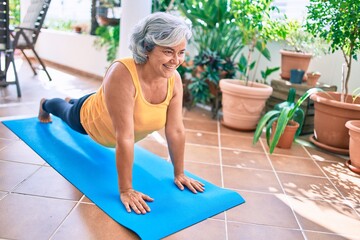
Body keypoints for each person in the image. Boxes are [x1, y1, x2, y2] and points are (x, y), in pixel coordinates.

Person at [38, 12, 205, 214]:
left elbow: (176, 130)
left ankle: (72, 101)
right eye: (168, 52)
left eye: (181, 52)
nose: (176, 60)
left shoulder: (174, 79)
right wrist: (126, 190)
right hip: (89, 119)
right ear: (146, 48)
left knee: (85, 102)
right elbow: (125, 136)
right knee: (65, 111)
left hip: (112, 99)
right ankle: (46, 103)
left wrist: (180, 173)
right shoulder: (122, 73)